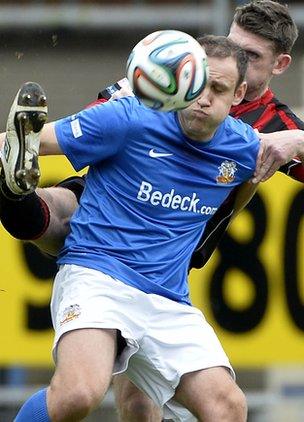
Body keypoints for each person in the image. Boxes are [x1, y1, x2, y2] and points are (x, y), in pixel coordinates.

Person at [1, 1, 304, 421]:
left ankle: (21, 197)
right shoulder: (137, 107)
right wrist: (22, 143)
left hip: (168, 284)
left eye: (250, 57)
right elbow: (48, 135)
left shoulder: (260, 136)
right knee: (77, 395)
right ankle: (18, 195)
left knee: (196, 407)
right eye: (200, 85)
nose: (204, 99)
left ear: (269, 71)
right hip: (101, 266)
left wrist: (297, 141)